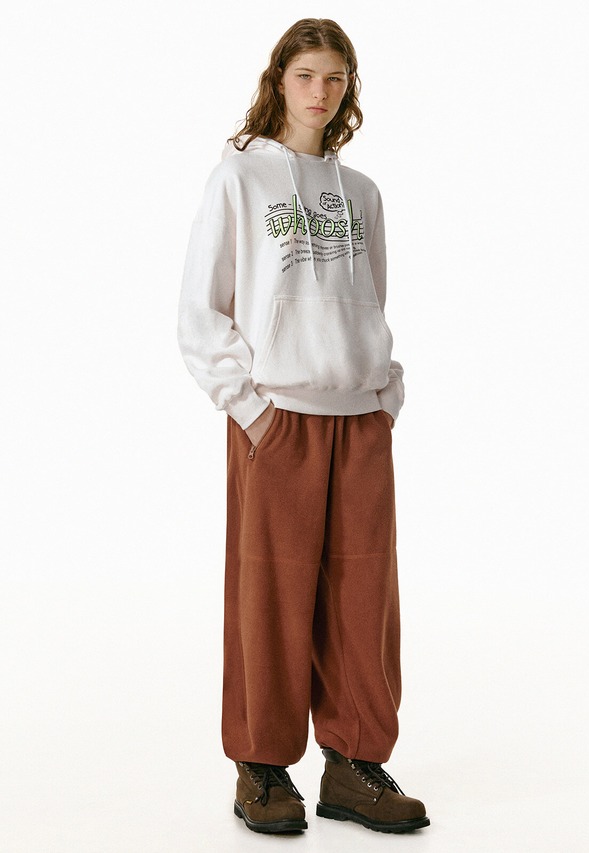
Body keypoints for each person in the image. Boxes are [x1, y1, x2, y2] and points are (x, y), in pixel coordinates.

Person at [177, 18, 429, 835]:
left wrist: (384, 394)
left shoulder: (363, 194)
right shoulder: (239, 178)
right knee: (271, 595)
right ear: (279, 80)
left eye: (336, 77)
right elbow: (201, 311)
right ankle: (261, 765)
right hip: (278, 418)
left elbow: (370, 300)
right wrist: (249, 408)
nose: (322, 92)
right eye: (306, 75)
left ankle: (354, 764)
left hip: (360, 418)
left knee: (364, 597)